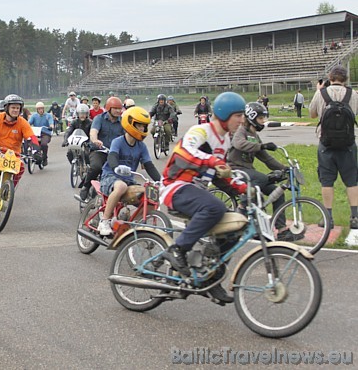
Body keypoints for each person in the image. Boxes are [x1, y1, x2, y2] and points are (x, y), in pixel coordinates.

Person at [160, 92, 247, 304]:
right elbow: (185, 152)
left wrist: (246, 189)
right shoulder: (201, 131)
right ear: (225, 115)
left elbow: (219, 176)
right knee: (215, 207)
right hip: (176, 186)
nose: (242, 121)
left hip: (197, 191)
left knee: (234, 227)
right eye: (238, 116)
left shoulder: (225, 142)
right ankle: (177, 249)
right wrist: (212, 161)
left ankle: (211, 278)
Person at [227, 102, 298, 241]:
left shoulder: (254, 135)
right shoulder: (241, 130)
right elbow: (238, 144)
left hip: (248, 171)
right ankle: (243, 207)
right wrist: (261, 145)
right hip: (236, 170)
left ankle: (282, 230)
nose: (263, 121)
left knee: (276, 193)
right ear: (252, 117)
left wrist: (284, 168)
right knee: (261, 179)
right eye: (260, 118)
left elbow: (266, 159)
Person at [96, 107, 162, 235]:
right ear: (130, 123)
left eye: (144, 126)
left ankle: (132, 226)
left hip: (128, 180)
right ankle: (104, 221)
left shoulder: (141, 146)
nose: (142, 129)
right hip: (110, 176)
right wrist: (116, 167)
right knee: (121, 186)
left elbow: (149, 165)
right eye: (139, 125)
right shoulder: (118, 142)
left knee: (151, 196)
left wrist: (161, 181)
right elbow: (112, 156)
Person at [309, 65, 358, 229]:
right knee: (352, 181)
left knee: (327, 181)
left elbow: (312, 114)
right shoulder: (353, 94)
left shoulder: (321, 93)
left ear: (330, 78)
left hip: (326, 144)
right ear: (346, 79)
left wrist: (319, 90)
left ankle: (328, 217)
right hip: (348, 144)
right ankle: (355, 217)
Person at [0, 94, 39, 200]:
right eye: (13, 107)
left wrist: (37, 150)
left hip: (13, 154)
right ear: (7, 108)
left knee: (21, 166)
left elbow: (31, 136)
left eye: (18, 108)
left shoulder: (22, 122)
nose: (15, 110)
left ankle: (9, 189)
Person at [79, 96, 124, 201]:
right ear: (109, 108)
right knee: (96, 167)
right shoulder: (99, 118)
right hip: (99, 150)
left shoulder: (123, 121)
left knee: (122, 173)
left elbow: (128, 136)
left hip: (114, 153)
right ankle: (85, 187)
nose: (118, 111)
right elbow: (93, 131)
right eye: (115, 108)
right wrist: (95, 140)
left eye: (119, 108)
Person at [28, 102, 54, 166]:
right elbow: (29, 123)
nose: (40, 110)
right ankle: (35, 154)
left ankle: (45, 158)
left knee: (44, 144)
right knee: (31, 142)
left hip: (45, 133)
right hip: (36, 133)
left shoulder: (48, 115)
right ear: (37, 110)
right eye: (39, 109)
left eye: (42, 109)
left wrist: (51, 127)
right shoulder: (34, 116)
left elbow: (51, 123)